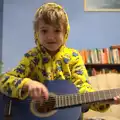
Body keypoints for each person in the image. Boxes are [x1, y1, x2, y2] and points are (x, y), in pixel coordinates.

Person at [0, 2, 120, 119]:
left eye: (57, 31)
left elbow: (83, 89)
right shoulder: (32, 57)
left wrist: (103, 100)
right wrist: (27, 84)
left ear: (65, 32)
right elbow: (3, 80)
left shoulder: (73, 57)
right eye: (44, 31)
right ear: (37, 33)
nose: (50, 37)